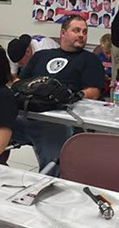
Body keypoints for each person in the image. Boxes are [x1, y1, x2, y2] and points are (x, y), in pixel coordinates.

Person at [13, 15, 104, 173]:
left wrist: (70, 96)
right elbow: (18, 82)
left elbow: (93, 92)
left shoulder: (90, 59)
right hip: (27, 111)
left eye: (84, 31)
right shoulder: (41, 55)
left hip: (57, 118)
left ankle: (49, 186)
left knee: (52, 163)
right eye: (76, 30)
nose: (81, 35)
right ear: (63, 33)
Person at [97, 33, 112, 98]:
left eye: (111, 52)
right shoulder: (99, 58)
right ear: (102, 49)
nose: (109, 55)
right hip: (103, 81)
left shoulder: (117, 59)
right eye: (107, 52)